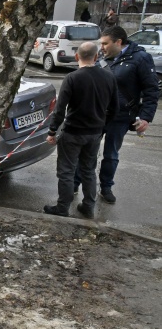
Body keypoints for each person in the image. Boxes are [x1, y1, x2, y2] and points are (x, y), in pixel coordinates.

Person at [74, 26, 159, 204]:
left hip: (120, 115)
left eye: (105, 43)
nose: (101, 47)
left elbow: (151, 90)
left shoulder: (140, 58)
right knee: (87, 151)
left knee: (111, 154)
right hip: (97, 115)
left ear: (118, 42)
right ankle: (74, 183)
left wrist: (145, 117)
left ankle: (106, 187)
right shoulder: (103, 58)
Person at [43, 42, 119, 219]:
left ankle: (63, 207)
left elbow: (60, 109)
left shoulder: (72, 78)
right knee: (88, 170)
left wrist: (52, 131)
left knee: (66, 171)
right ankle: (88, 206)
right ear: (96, 56)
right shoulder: (109, 77)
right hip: (94, 134)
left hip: (72, 133)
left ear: (77, 57)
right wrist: (103, 127)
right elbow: (115, 108)